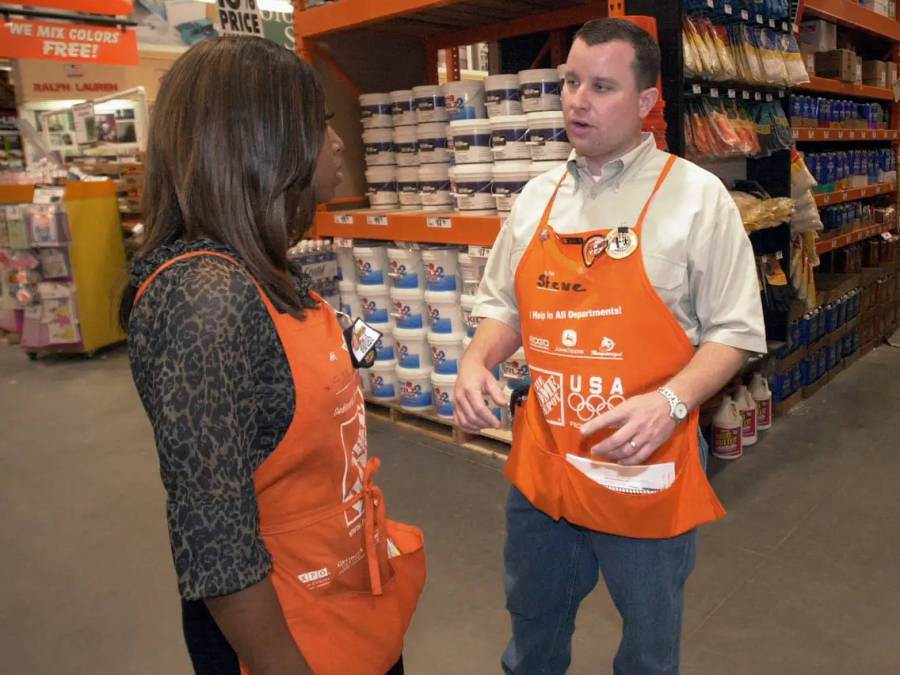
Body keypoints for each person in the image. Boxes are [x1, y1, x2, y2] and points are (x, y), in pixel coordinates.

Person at [453, 18, 766, 675]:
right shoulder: (538, 198)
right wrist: (478, 358)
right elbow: (504, 307)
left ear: (648, 102)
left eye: (601, 85)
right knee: (532, 631)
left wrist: (671, 403)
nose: (576, 99)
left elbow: (735, 330)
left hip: (643, 468)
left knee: (649, 654)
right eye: (570, 81)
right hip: (545, 466)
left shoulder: (695, 200)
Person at [120, 36, 425, 675]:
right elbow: (216, 544)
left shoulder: (263, 270)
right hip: (286, 640)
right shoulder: (205, 298)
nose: (337, 143)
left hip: (344, 600)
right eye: (317, 127)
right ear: (260, 143)